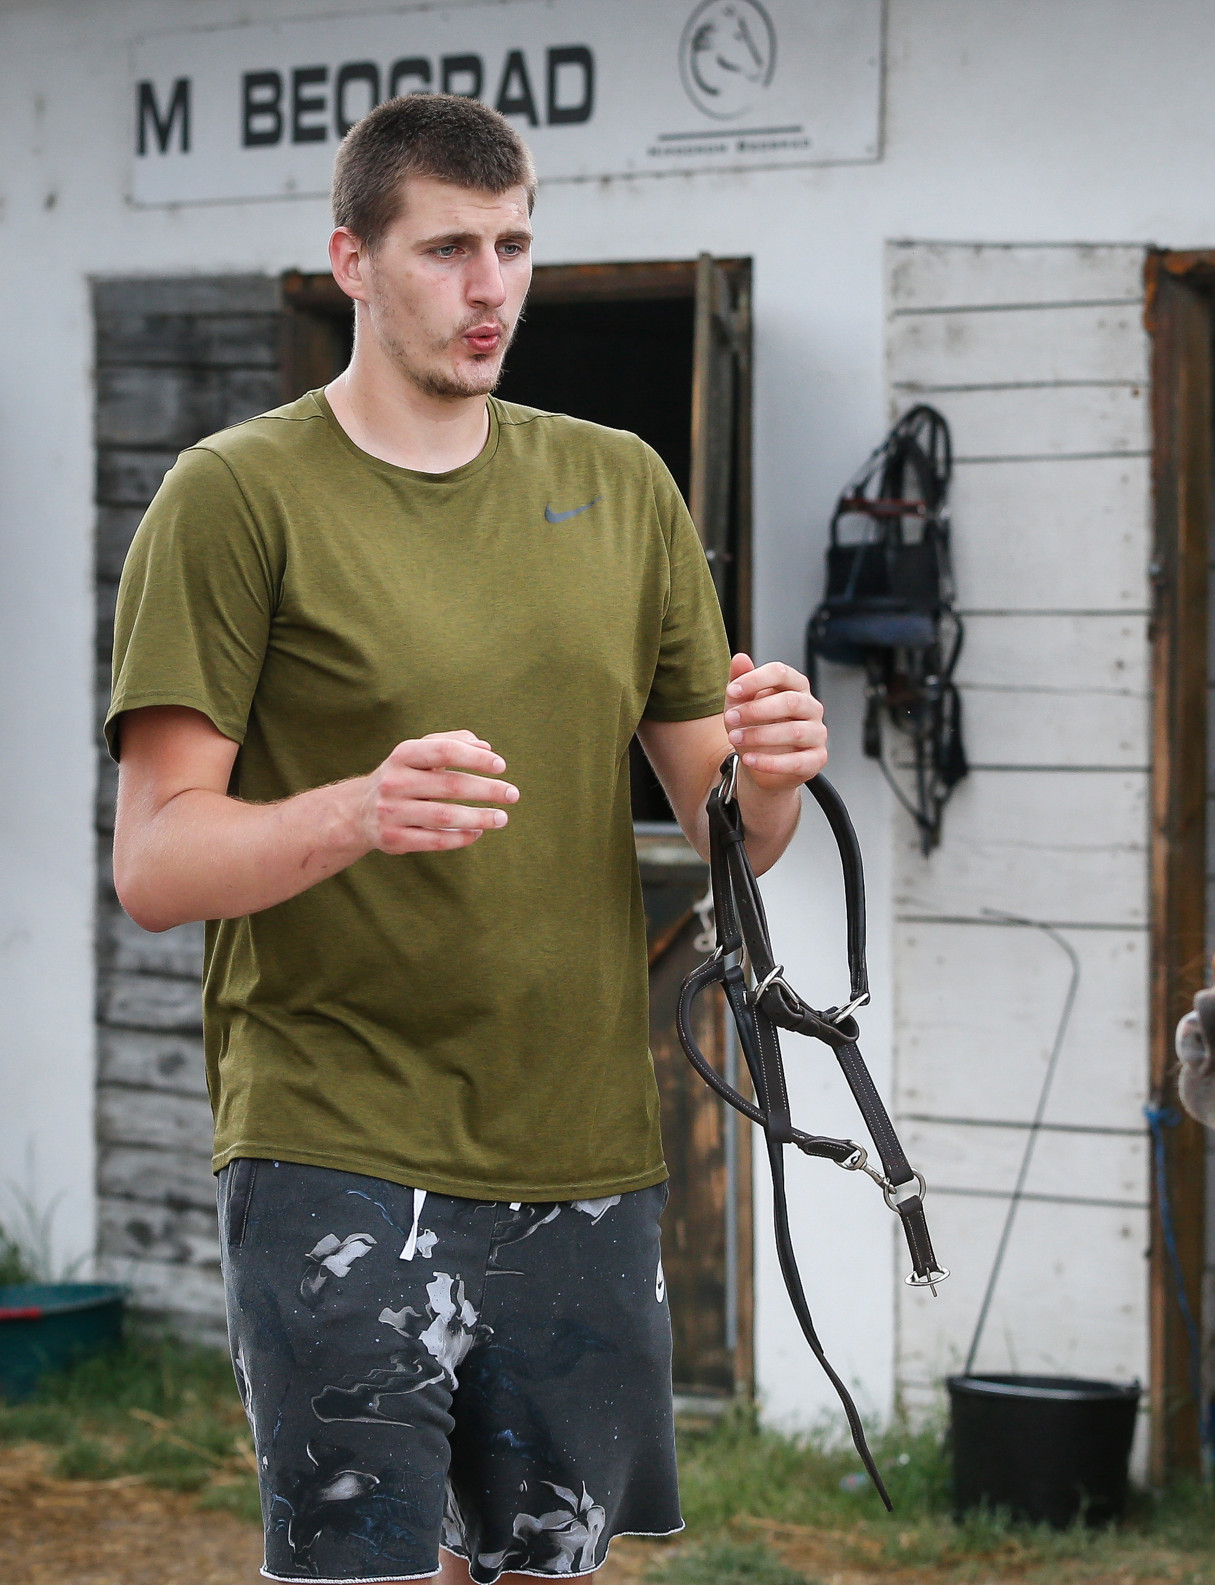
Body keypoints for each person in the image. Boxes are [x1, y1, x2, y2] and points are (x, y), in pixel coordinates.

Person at [106, 93, 825, 1584]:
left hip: (576, 1145)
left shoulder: (621, 484)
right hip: (333, 1141)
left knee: (541, 1571)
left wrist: (777, 777)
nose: (489, 284)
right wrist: (355, 811)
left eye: (514, 243)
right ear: (352, 261)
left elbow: (734, 831)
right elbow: (158, 860)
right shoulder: (236, 497)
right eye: (446, 247)